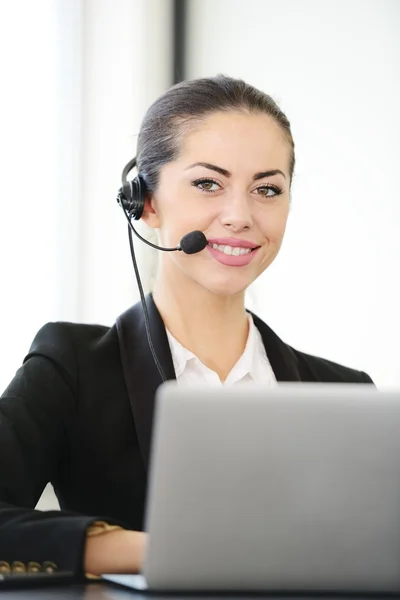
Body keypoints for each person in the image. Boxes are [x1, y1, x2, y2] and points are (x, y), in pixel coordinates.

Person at [0, 75, 373, 580]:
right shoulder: (73, 366)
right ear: (145, 202)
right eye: (207, 183)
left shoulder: (344, 393)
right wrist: (153, 551)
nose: (240, 216)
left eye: (267, 189)